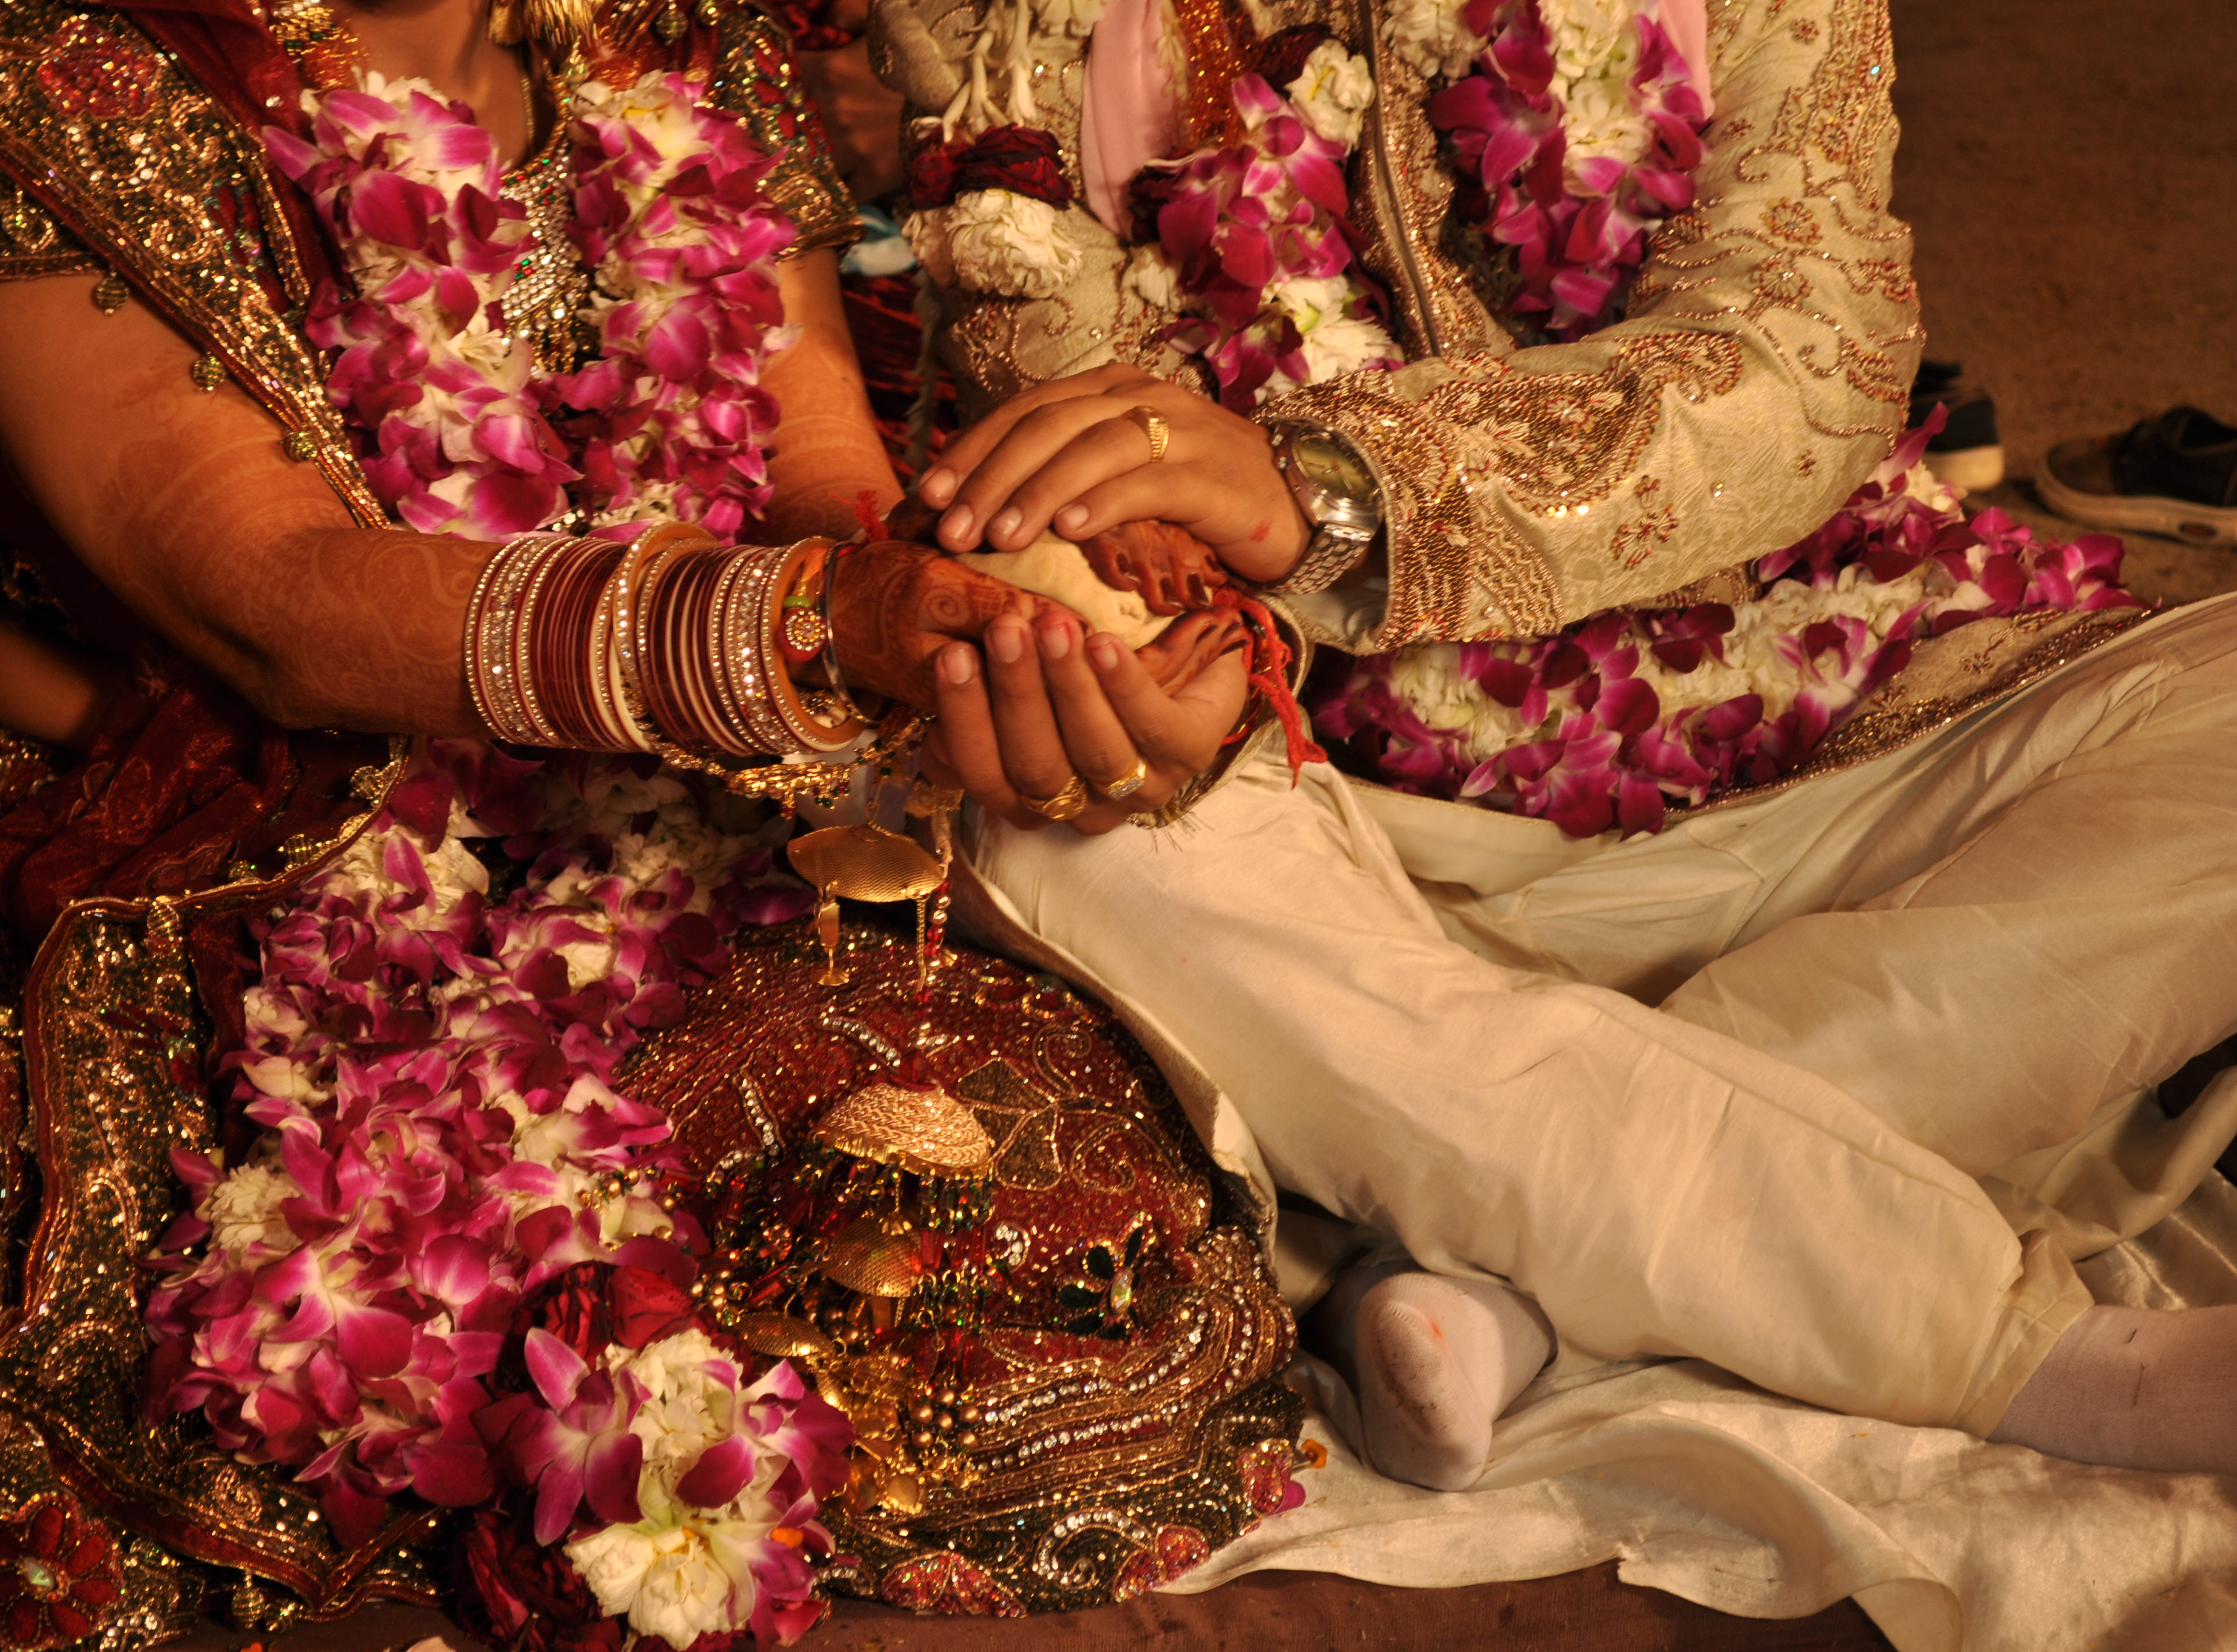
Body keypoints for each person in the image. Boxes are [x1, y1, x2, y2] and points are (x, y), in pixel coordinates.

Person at [0, 0, 1305, 1641]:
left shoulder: (679, 38)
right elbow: (268, 596)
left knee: (1007, 1188)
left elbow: (810, 478)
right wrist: (811, 626)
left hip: (643, 830)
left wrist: (1022, 614)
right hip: (183, 844)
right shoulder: (35, 62)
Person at [865, 0, 2237, 1496]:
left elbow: (1811, 361)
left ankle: (1509, 1274)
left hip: (1844, 743)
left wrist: (1338, 488)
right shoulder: (1008, 27)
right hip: (1355, 850)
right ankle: (2009, 1355)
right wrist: (1185, 647)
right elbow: (1064, 466)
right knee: (1033, 774)